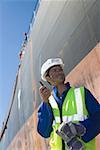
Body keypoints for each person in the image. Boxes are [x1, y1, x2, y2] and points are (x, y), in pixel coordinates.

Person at [37, 58, 100, 150]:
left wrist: (81, 128)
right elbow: (44, 132)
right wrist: (45, 103)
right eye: (55, 70)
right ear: (48, 78)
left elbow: (98, 116)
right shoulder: (48, 103)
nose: (59, 72)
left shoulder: (81, 93)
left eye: (60, 69)